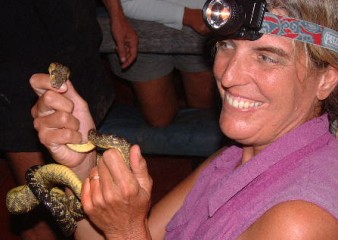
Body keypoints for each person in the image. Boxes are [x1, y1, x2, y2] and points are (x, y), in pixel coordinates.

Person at [30, 0, 338, 239]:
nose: (228, 76)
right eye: (226, 46)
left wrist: (127, 231)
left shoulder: (300, 220)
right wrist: (80, 162)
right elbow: (133, 233)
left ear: (326, 79)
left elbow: (128, 234)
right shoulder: (236, 155)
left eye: (267, 57)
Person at [0, 0, 137, 239]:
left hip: (78, 47)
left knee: (90, 184)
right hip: (11, 64)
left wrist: (117, 13)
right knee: (38, 219)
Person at [109, 0, 216, 127]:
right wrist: (187, 15)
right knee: (159, 119)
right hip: (142, 26)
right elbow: (126, 3)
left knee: (204, 110)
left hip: (205, 23)